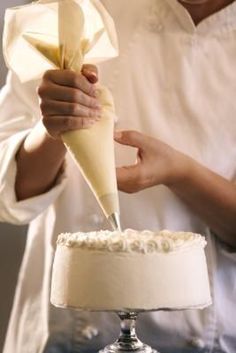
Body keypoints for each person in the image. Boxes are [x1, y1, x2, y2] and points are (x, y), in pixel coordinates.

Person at [0, 0, 236, 352]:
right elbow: (9, 195)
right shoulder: (78, 10)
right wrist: (53, 128)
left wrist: (181, 172)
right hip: (66, 338)